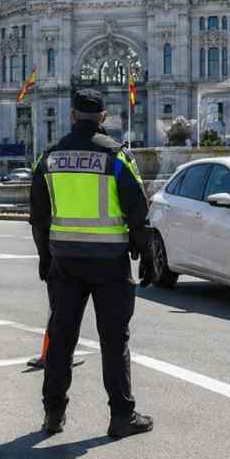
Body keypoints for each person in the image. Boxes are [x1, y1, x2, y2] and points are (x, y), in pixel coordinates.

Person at [29, 89, 155, 439]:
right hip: (109, 262)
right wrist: (146, 254)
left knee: (61, 339)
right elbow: (138, 212)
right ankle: (121, 416)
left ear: (71, 116)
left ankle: (53, 415)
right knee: (114, 341)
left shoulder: (49, 158)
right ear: (103, 117)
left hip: (64, 262)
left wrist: (44, 256)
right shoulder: (116, 156)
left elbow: (38, 215)